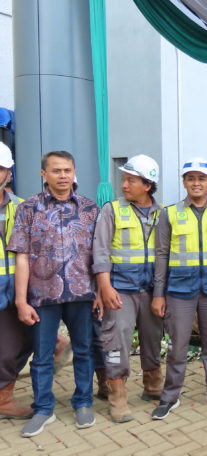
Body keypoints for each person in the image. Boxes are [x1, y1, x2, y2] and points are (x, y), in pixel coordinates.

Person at [10, 151, 100, 437]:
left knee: (84, 351)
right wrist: (21, 300)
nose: (63, 176)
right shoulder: (29, 208)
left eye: (67, 170)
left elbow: (99, 255)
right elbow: (21, 257)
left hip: (82, 293)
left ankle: (83, 402)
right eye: (56, 170)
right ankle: (43, 408)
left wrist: (99, 291)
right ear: (43, 174)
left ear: (74, 172)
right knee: (42, 355)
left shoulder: (89, 209)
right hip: (42, 295)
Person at [150, 157, 207, 419]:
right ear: (184, 182)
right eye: (191, 178)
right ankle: (170, 395)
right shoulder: (170, 213)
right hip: (179, 291)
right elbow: (161, 255)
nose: (196, 183)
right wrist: (158, 293)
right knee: (178, 347)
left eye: (202, 179)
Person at [92, 154, 164, 423]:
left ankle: (153, 385)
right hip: (120, 289)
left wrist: (160, 293)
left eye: (130, 180)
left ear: (147, 185)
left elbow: (164, 255)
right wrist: (105, 286)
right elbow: (100, 250)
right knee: (115, 341)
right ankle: (118, 397)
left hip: (150, 290)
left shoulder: (162, 213)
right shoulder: (112, 210)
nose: (124, 185)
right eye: (124, 179)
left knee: (153, 338)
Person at [0, 142, 32, 420]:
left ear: (8, 173)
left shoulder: (22, 207)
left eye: (0, 168)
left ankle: (3, 396)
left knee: (18, 344)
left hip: (17, 290)